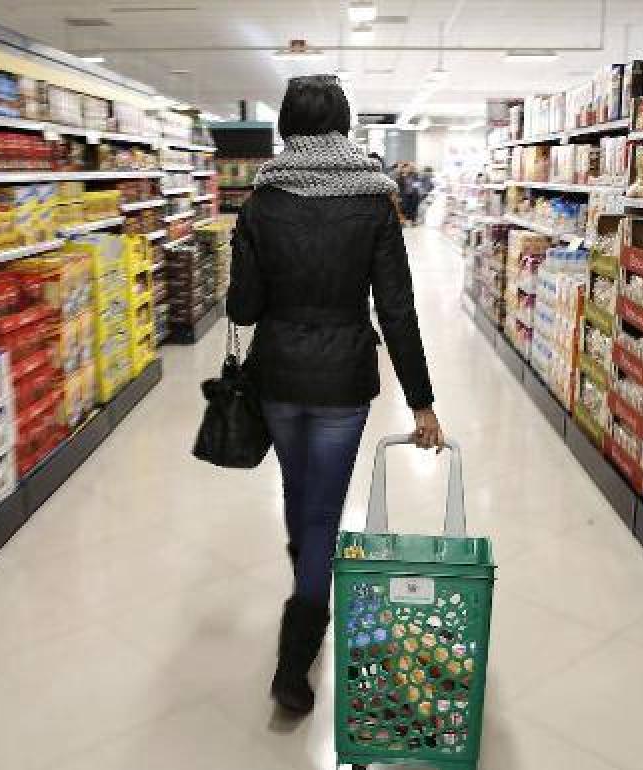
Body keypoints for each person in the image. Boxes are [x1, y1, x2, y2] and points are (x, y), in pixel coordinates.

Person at [227, 74, 444, 715]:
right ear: (344, 127)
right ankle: (296, 651)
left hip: (278, 375)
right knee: (321, 508)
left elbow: (242, 305)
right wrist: (421, 401)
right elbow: (397, 310)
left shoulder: (262, 200)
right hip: (344, 377)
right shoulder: (376, 199)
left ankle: (301, 615)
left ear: (285, 128)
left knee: (301, 495)